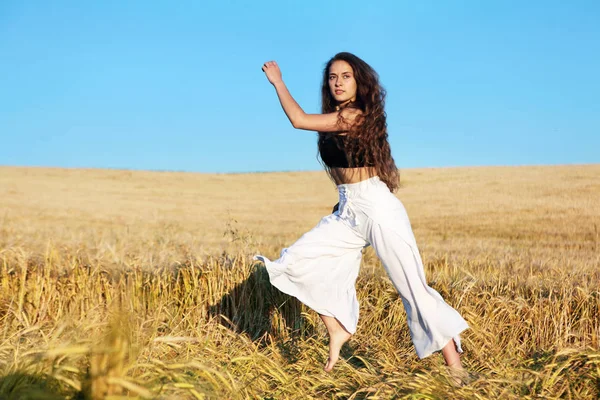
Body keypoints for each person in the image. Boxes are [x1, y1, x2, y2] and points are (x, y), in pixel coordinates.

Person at [254, 52, 469, 377]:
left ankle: (457, 371)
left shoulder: (355, 115)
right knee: (293, 262)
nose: (338, 82)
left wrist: (278, 82)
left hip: (377, 208)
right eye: (332, 77)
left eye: (346, 76)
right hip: (348, 210)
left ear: (359, 83)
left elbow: (298, 119)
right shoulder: (336, 117)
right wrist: (342, 205)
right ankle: (338, 327)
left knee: (412, 289)